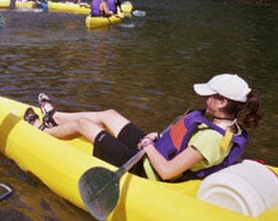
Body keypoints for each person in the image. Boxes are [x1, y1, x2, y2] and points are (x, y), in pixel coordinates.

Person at [25, 74, 261, 181]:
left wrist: (148, 147)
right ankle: (54, 116)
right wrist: (156, 137)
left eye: (209, 95)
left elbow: (168, 172)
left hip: (144, 168)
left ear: (222, 102)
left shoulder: (211, 138)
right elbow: (180, 139)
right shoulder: (228, 124)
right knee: (109, 115)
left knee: (83, 125)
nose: (203, 98)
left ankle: (41, 130)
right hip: (151, 151)